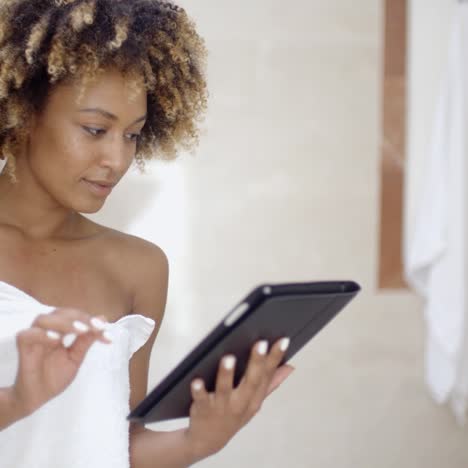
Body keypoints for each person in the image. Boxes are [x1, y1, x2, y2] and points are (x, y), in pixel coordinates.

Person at [0, 1, 294, 467]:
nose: (117, 160)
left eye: (133, 134)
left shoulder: (139, 267)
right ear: (24, 114)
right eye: (95, 129)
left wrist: (198, 441)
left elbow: (117, 440)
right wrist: (16, 401)